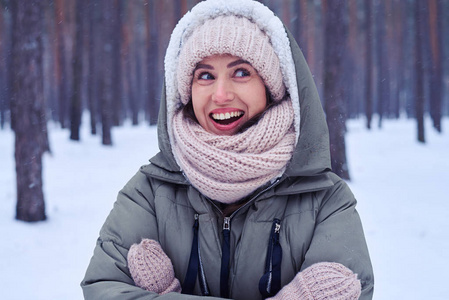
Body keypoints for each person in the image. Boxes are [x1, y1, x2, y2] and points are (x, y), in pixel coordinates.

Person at [81, 0, 374, 299]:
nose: (221, 95)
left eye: (241, 73)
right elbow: (103, 288)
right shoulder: (149, 193)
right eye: (205, 76)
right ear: (187, 90)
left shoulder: (325, 199)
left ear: (271, 86)